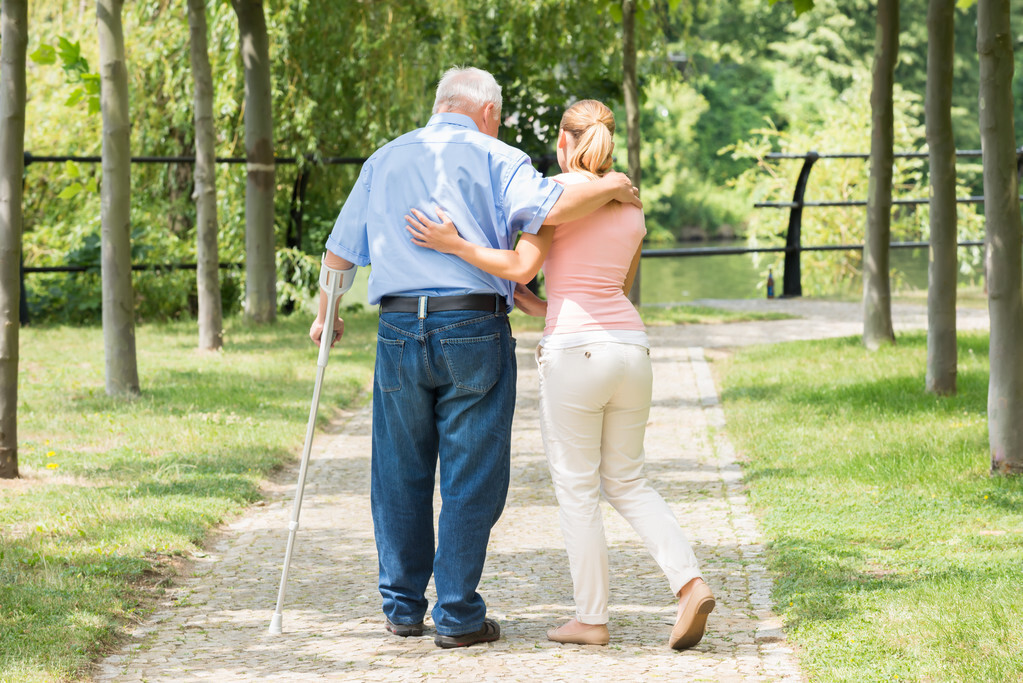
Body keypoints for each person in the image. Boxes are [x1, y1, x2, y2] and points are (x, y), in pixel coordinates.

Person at [310, 69, 641, 649]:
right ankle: (459, 616)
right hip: (473, 327)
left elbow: (339, 254)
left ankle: (403, 608)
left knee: (398, 470)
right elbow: (556, 206)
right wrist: (615, 184)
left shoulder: (383, 159)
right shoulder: (500, 156)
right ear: (487, 112)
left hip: (397, 329)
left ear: (440, 105)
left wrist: (326, 315)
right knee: (472, 474)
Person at [404, 99, 715, 650]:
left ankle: (591, 619)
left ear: (565, 142)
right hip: (631, 349)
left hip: (576, 355)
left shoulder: (551, 198)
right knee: (628, 481)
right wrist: (542, 308)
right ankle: (689, 584)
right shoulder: (631, 206)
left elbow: (522, 267)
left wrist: (453, 245)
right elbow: (607, 288)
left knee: (577, 490)